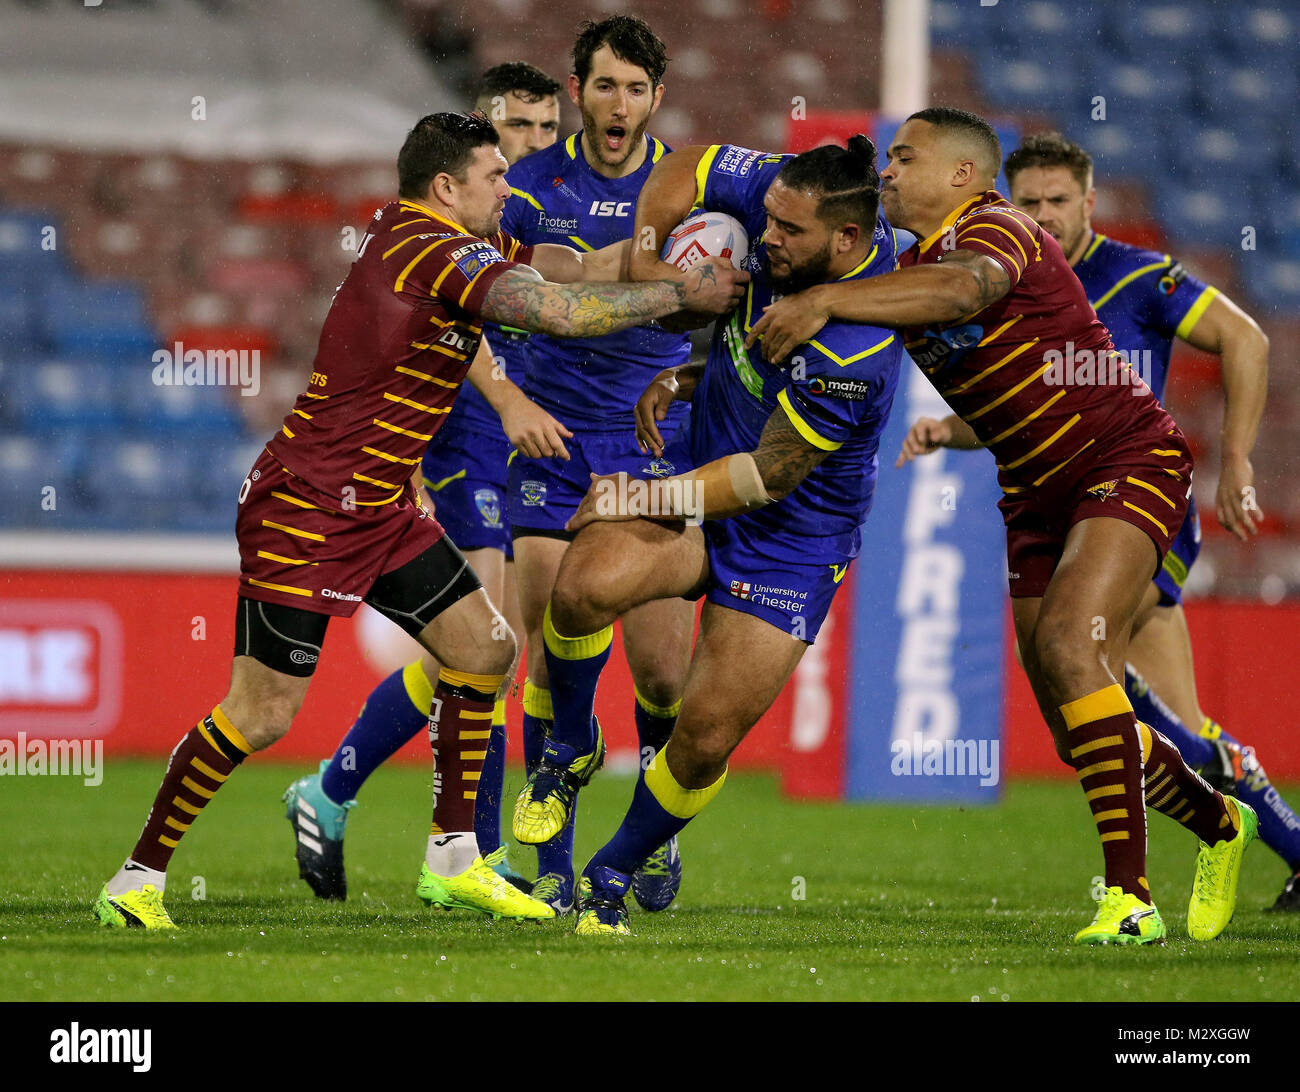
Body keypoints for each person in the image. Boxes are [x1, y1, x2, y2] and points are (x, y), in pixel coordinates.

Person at [92, 109, 746, 929]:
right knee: (261, 715)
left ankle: (454, 859)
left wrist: (664, 256)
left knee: (484, 649)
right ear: (447, 187)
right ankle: (137, 877)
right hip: (310, 507)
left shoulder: (441, 242)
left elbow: (574, 271)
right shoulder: (433, 244)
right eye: (494, 176)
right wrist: (676, 293)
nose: (509, 187)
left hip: (385, 508)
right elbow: (558, 313)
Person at [746, 107, 1256, 946]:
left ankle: (1129, 903)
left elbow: (967, 292)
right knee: (1072, 720)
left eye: (907, 157)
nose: (890, 170)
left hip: (1125, 461)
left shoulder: (1000, 228)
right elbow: (999, 380)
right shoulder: (906, 267)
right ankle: (1221, 824)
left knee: (1068, 647)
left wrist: (826, 299)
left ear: (961, 176)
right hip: (1031, 494)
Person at [898, 131, 1296, 908]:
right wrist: (950, 431)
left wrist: (1238, 460)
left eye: (1059, 201)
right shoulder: (1009, 282)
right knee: (1145, 721)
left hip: (1135, 490)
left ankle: (1138, 891)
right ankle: (1256, 830)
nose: (1044, 215)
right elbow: (1019, 406)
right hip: (1060, 498)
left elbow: (1245, 340)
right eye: (1031, 201)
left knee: (1076, 659)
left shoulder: (1138, 277)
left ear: (1089, 202)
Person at [517, 135, 903, 935]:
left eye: (789, 234)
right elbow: (684, 165)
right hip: (702, 468)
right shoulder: (782, 193)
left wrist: (629, 493)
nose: (767, 239)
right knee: (582, 586)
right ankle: (568, 749)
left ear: (846, 242)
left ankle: (613, 870)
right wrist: (667, 302)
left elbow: (769, 475)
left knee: (701, 737)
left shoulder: (857, 345)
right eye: (770, 220)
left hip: (789, 538)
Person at [283, 63, 568, 902]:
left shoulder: (520, 206)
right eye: (519, 127)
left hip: (526, 427)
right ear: (479, 130)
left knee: (490, 649)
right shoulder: (445, 218)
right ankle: (470, 854)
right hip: (466, 429)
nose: (536, 144)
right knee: (486, 641)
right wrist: (501, 396)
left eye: (550, 128)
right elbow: (426, 324)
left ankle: (336, 791)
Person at [500, 16, 701, 916]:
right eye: (603, 85)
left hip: (653, 443)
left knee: (662, 677)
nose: (617, 104)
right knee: (549, 653)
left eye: (634, 88)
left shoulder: (688, 187)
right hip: (552, 439)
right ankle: (553, 871)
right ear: (576, 90)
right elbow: (531, 295)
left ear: (656, 97)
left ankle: (650, 836)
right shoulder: (527, 183)